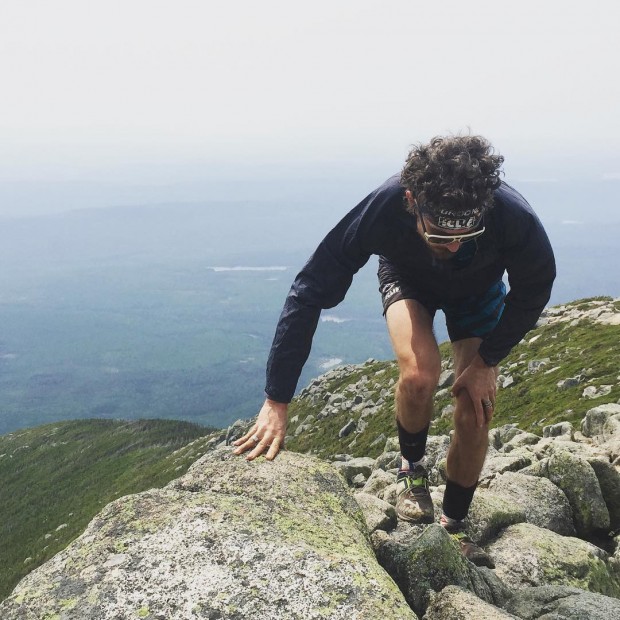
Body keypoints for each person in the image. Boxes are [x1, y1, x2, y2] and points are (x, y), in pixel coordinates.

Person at [233, 134, 556, 567]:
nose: (454, 245)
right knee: (420, 375)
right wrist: (277, 399)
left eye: (467, 234)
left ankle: (454, 526)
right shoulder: (385, 206)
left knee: (475, 407)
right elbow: (310, 290)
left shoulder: (510, 214)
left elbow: (534, 288)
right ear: (411, 202)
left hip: (478, 293)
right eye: (440, 233)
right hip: (408, 278)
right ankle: (411, 469)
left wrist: (487, 361)